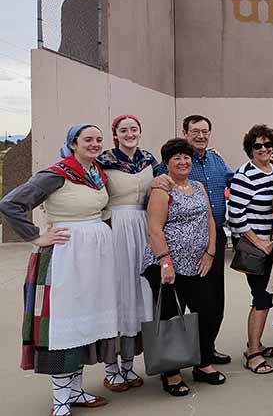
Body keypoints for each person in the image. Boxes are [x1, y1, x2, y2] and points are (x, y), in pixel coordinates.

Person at [1, 125, 119, 415]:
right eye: (87, 139)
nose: (94, 144)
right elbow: (10, 204)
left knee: (85, 321)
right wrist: (36, 236)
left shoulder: (97, 173)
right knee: (64, 323)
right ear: (73, 144)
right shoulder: (55, 173)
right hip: (66, 256)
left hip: (94, 256)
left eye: (98, 139)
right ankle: (60, 400)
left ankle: (76, 391)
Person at [143, 138, 224, 395]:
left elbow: (209, 219)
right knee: (170, 316)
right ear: (166, 163)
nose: (183, 161)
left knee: (206, 311)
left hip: (199, 262)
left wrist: (210, 252)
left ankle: (202, 363)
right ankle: (172, 371)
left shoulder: (198, 186)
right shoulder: (161, 189)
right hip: (168, 266)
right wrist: (165, 261)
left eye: (186, 157)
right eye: (176, 158)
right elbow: (154, 228)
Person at [152, 115, 233, 364]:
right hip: (173, 253)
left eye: (205, 131)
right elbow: (154, 217)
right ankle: (173, 363)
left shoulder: (217, 160)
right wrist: (164, 259)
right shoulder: (163, 173)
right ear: (185, 132)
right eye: (195, 131)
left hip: (211, 241)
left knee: (211, 302)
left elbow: (234, 183)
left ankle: (205, 350)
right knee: (174, 308)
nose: (201, 136)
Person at [96, 115, 156, 391]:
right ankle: (111, 368)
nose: (129, 133)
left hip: (143, 227)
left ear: (140, 132)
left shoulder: (149, 160)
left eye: (134, 128)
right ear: (115, 134)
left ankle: (129, 366)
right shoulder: (103, 161)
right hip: (115, 227)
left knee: (139, 290)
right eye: (124, 130)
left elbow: (172, 174)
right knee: (115, 290)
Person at [227, 125, 273, 375]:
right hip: (256, 247)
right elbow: (235, 215)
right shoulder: (244, 176)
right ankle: (253, 353)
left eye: (268, 144)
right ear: (250, 148)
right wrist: (258, 241)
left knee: (267, 298)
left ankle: (256, 343)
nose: (264, 149)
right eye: (258, 145)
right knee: (260, 299)